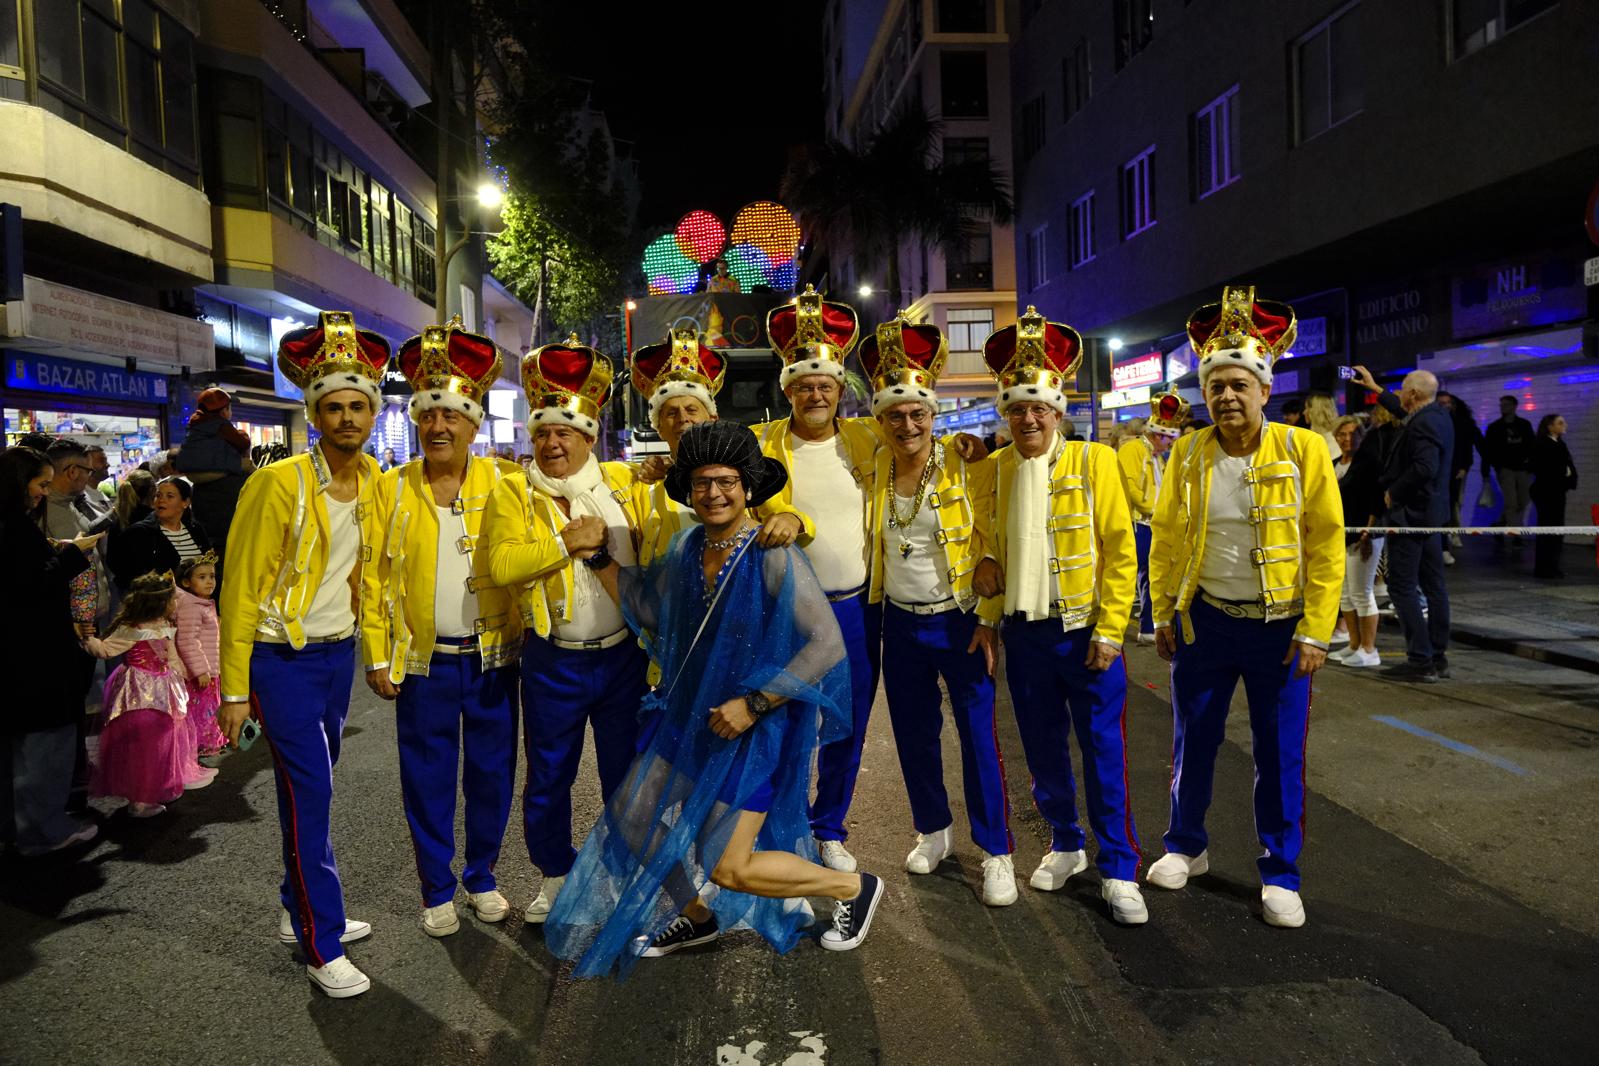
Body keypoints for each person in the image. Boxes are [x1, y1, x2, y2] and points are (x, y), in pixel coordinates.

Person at [545, 420, 883, 976]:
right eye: (702, 483)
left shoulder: (773, 552)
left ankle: (853, 887)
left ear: (748, 486)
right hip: (688, 717)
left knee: (727, 865)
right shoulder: (687, 545)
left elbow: (826, 645)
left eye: (726, 481)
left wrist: (753, 705)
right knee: (632, 814)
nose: (714, 494)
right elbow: (652, 611)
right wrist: (600, 558)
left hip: (751, 728)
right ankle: (697, 917)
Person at [1146, 286, 1343, 929]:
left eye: (1239, 384)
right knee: (1192, 740)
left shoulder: (1304, 450)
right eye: (1217, 385)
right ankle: (1186, 846)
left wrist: (1317, 630)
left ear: (1263, 388)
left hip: (1281, 630)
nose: (1227, 396)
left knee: (1280, 754)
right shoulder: (1189, 451)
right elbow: (1168, 535)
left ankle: (1280, 873)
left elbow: (1325, 545)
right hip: (1205, 621)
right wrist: (1164, 612)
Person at [217, 310, 389, 998]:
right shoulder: (277, 483)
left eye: (357, 405)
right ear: (314, 415)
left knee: (307, 790)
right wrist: (233, 691)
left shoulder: (377, 478)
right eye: (334, 407)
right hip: (277, 660)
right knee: (311, 793)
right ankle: (322, 945)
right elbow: (237, 590)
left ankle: (299, 910)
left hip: (335, 657)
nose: (347, 417)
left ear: (371, 413)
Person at [972, 309, 1146, 924]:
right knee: (1043, 749)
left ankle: (1120, 866)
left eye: (1038, 408)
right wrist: (988, 570)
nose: (1027, 419)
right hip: (1025, 635)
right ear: (1005, 413)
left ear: (1057, 410)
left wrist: (1111, 629)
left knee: (1103, 751)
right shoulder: (991, 469)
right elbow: (978, 535)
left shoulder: (1096, 461)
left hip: (1086, 633)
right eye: (1016, 409)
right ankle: (1066, 842)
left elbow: (1122, 551)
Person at [361, 318, 523, 937]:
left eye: (450, 416)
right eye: (428, 417)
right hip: (423, 661)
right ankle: (436, 886)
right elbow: (373, 578)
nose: (437, 427)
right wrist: (377, 654)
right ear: (416, 422)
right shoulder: (390, 488)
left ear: (472, 423)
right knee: (425, 775)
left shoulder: (506, 481)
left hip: (492, 657)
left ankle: (481, 876)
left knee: (491, 772)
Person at [483, 335, 649, 926]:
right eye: (543, 433)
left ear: (589, 435)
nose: (553, 444)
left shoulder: (626, 486)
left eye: (566, 433)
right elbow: (498, 567)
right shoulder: (512, 491)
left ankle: (625, 872)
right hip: (553, 660)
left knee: (627, 775)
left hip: (624, 657)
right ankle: (555, 873)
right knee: (549, 775)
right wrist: (563, 543)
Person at [861, 313, 1015, 907]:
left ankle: (996, 849)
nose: (907, 424)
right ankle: (934, 829)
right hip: (899, 623)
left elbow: (994, 538)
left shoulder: (962, 461)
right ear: (880, 419)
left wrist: (988, 617)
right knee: (914, 734)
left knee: (978, 735)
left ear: (934, 414)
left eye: (918, 413)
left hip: (959, 620)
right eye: (895, 414)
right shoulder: (872, 465)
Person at [754, 287, 881, 873]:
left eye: (824, 385)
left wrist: (969, 446)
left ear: (839, 389)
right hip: (787, 613)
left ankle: (828, 825)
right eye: (804, 385)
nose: (815, 394)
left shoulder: (866, 440)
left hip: (855, 609)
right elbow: (710, 470)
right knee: (785, 720)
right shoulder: (761, 445)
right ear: (788, 389)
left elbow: (921, 449)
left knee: (843, 727)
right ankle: (784, 829)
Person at [0, 446, 102, 855]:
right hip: (36, 658)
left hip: (17, 659)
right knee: (45, 748)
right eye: (40, 483)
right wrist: (73, 556)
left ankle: (17, 828)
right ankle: (45, 830)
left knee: (17, 751)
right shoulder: (15, 527)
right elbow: (31, 589)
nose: (44, 492)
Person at [1355, 366, 1454, 682]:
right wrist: (1375, 386)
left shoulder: (1423, 423)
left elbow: (1425, 467)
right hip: (1432, 516)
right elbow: (1404, 414)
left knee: (1401, 585)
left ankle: (1420, 659)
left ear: (1413, 394)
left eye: (1402, 393)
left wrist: (1392, 493)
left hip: (1410, 516)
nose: (1399, 397)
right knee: (1434, 586)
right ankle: (1436, 656)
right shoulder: (1437, 415)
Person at [83, 571, 196, 816]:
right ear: (158, 602)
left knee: (162, 741)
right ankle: (140, 799)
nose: (175, 603)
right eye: (172, 599)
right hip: (137, 693)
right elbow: (104, 650)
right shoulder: (131, 629)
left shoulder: (166, 625)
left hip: (164, 690)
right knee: (141, 745)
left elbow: (171, 656)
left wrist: (184, 675)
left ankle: (158, 786)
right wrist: (87, 638)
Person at [1117, 390, 1185, 645]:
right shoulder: (1132, 451)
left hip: (1154, 523)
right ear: (1159, 435)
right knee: (1142, 576)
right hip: (1138, 524)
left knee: (1152, 576)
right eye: (1169, 440)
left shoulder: (1158, 457)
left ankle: (1149, 626)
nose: (1170, 446)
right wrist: (1154, 510)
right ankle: (1141, 626)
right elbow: (1130, 488)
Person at [1328, 416, 1386, 668]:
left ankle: (1369, 648)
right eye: (1342, 434)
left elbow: (1376, 500)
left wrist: (1368, 533)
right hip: (1338, 538)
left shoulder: (1369, 463)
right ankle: (1353, 644)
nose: (1347, 439)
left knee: (1362, 593)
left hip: (1363, 536)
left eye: (1353, 434)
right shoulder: (1332, 464)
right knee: (1344, 595)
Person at [175, 387, 255, 563]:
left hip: (203, 502)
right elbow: (242, 443)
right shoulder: (223, 428)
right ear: (224, 410)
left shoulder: (194, 429)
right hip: (228, 502)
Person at [108, 476, 213, 592]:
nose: (161, 500)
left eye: (170, 496)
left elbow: (210, 564)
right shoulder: (139, 533)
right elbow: (128, 577)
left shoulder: (196, 529)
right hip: (162, 605)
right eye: (158, 495)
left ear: (185, 502)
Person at [173, 552, 225, 760]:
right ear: (186, 582)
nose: (209, 581)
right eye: (202, 577)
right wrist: (201, 670)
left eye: (211, 576)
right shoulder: (191, 606)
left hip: (210, 668)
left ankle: (208, 741)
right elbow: (187, 641)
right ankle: (200, 744)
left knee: (209, 707)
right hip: (200, 672)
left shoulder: (203, 603)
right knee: (200, 708)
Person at [1436, 392, 1483, 563]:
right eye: (1442, 403)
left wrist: (1464, 466)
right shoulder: (1434, 421)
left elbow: (1466, 446)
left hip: (1454, 469)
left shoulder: (1461, 423)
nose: (1445, 406)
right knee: (1446, 504)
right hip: (1439, 470)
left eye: (1448, 403)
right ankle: (1446, 539)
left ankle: (1452, 533)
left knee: (1454, 502)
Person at [1530, 414, 1577, 579]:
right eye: (1560, 423)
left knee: (1557, 529)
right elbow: (1544, 468)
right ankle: (1544, 567)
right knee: (1548, 529)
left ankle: (1553, 565)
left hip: (1557, 491)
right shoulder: (1543, 445)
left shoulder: (1560, 444)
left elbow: (1567, 466)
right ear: (1550, 426)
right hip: (1547, 491)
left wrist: (1569, 480)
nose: (1564, 425)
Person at [1483, 395, 1535, 535]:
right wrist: (1488, 470)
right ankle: (1515, 534)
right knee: (1511, 503)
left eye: (1506, 405)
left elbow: (1532, 446)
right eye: (1501, 405)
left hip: (1523, 468)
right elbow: (1488, 450)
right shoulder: (1495, 428)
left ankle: (1501, 521)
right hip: (1505, 469)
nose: (1502, 407)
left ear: (1514, 406)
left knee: (1523, 501)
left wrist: (1531, 465)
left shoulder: (1524, 425)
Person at [1303, 392, 1340, 460]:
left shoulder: (1332, 441)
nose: (1304, 412)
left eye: (1306, 408)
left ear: (1314, 411)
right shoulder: (1312, 436)